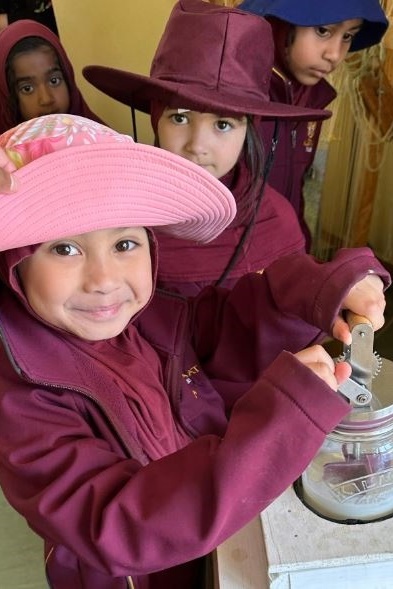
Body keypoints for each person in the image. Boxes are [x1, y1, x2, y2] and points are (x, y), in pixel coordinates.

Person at [0, 113, 389, 589]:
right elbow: (117, 525)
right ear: (14, 262)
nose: (103, 280)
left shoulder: (151, 320)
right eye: (64, 249)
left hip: (216, 548)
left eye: (125, 242)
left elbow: (233, 328)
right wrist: (282, 419)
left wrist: (320, 288)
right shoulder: (23, 402)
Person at [83, 0, 331, 295]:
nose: (197, 146)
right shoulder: (118, 213)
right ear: (155, 116)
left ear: (250, 130)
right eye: (179, 117)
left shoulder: (278, 222)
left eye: (223, 124)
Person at [238, 0, 388, 249]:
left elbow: (294, 192)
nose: (335, 54)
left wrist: (300, 250)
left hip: (284, 256)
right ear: (280, 23)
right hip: (231, 270)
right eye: (323, 30)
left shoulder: (311, 101)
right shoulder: (233, 97)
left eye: (348, 36)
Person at [0, 19, 105, 133]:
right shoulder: (4, 148)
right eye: (27, 89)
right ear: (8, 95)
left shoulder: (103, 139)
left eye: (54, 81)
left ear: (68, 77)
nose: (46, 99)